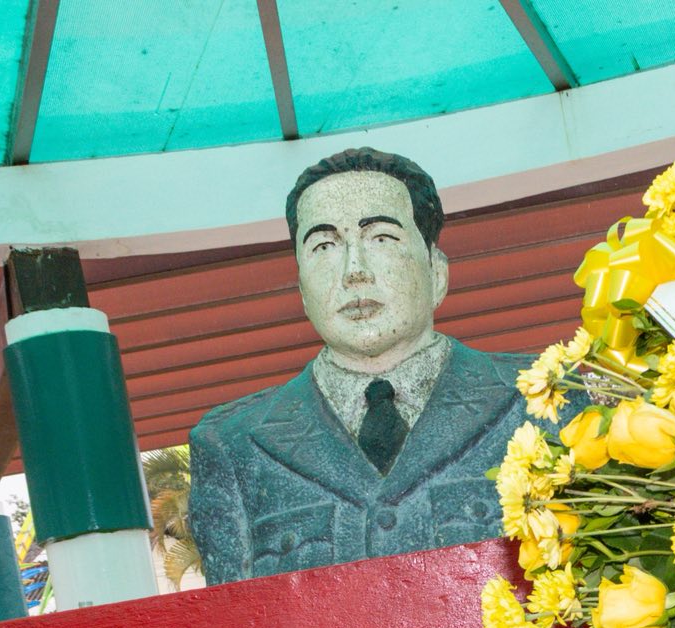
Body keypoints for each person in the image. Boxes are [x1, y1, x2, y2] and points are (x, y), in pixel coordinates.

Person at [189, 147, 532, 582]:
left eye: (382, 238)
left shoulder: (545, 397)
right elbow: (235, 618)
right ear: (301, 290)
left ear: (437, 272)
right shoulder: (233, 444)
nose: (354, 271)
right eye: (324, 246)